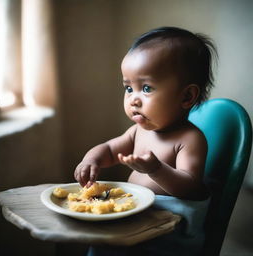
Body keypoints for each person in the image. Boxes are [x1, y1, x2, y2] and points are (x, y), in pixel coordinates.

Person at [74, 27, 217, 256]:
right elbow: (110, 149)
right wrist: (91, 160)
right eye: (128, 88)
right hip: (135, 218)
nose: (133, 99)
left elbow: (190, 187)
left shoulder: (190, 139)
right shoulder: (137, 131)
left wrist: (156, 169)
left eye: (147, 88)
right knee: (99, 242)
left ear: (187, 96)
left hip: (166, 229)